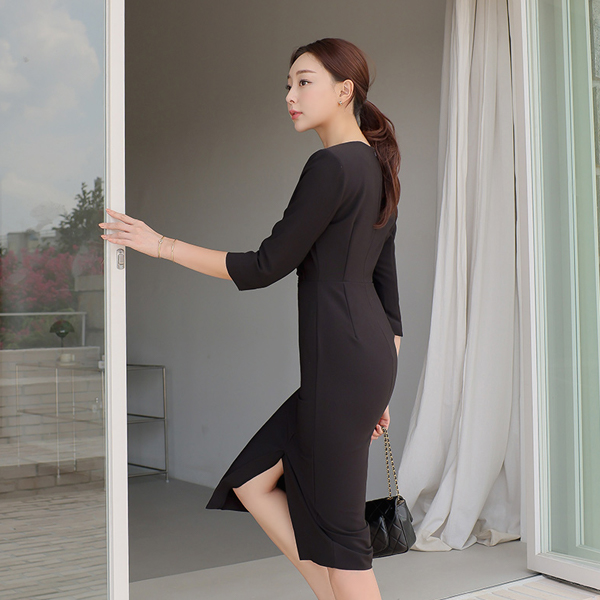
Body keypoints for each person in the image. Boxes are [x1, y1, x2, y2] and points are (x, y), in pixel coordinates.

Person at [99, 37, 403, 600]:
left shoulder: (331, 165)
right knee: (251, 479)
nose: (290, 95)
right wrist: (380, 387)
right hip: (365, 363)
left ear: (344, 91)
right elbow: (390, 297)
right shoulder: (375, 166)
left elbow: (265, 265)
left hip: (342, 367)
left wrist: (160, 245)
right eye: (288, 85)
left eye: (304, 82)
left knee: (343, 540)